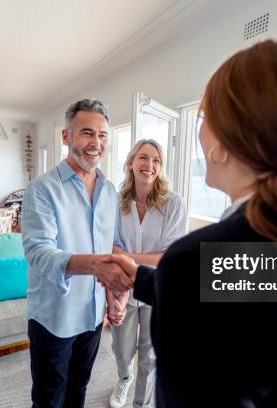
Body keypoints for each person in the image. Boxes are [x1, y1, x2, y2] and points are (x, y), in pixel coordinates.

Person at [100, 39, 277, 407]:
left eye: (204, 117)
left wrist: (163, 275)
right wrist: (137, 277)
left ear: (221, 143)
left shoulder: (191, 259)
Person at [22, 98, 131, 408]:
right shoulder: (42, 189)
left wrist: (113, 297)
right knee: (48, 399)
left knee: (78, 392)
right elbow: (39, 253)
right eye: (87, 133)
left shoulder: (110, 191)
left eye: (103, 135)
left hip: (93, 316)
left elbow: (112, 248)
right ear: (66, 137)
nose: (95, 143)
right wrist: (99, 267)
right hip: (54, 317)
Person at [108, 139, 187, 408]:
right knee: (122, 349)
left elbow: (168, 255)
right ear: (130, 163)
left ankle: (141, 404)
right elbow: (112, 249)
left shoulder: (173, 204)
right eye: (143, 157)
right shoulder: (117, 203)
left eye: (156, 160)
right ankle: (124, 378)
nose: (149, 165)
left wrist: (128, 257)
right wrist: (117, 295)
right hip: (124, 286)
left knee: (150, 355)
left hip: (156, 288)